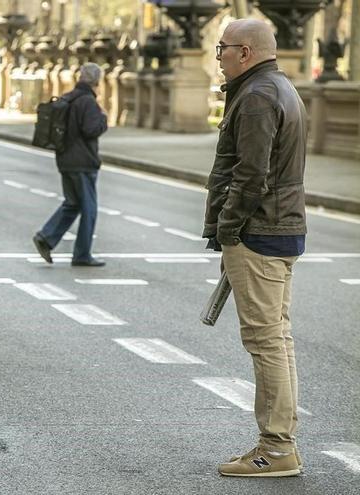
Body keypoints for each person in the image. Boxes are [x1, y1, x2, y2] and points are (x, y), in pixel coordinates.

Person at [204, 19, 308, 478]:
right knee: (276, 339)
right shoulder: (277, 87)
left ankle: (276, 448)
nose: (219, 56)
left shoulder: (258, 96)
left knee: (266, 341)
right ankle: (279, 442)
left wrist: (228, 228)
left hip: (259, 232)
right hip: (278, 227)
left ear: (244, 52)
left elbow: (251, 174)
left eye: (222, 48)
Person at [32, 63, 108, 267]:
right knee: (89, 209)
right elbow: (91, 129)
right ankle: (82, 254)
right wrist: (104, 119)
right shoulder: (88, 102)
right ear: (96, 81)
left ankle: (46, 238)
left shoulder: (68, 97)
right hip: (83, 162)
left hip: (65, 159)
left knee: (72, 203)